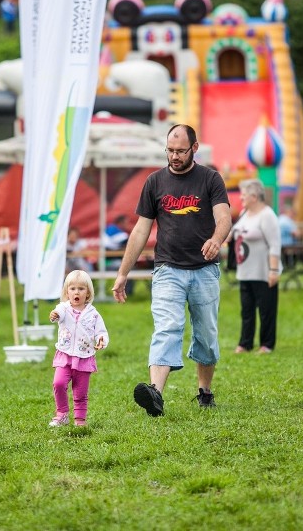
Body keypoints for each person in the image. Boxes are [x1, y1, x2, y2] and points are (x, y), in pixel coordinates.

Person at [113, 124, 231, 416]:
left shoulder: (210, 179)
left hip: (204, 270)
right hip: (167, 269)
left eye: (180, 150)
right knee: (167, 327)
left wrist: (216, 240)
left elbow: (224, 216)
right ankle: (156, 394)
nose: (174, 156)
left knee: (206, 335)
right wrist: (123, 272)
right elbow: (141, 231)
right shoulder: (154, 182)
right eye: (170, 150)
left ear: (194, 148)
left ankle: (205, 392)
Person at [48, 270, 109, 427]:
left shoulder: (93, 314)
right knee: (58, 383)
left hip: (84, 357)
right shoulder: (63, 308)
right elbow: (59, 313)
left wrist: (102, 340)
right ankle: (62, 414)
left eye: (81, 289)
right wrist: (55, 314)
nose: (76, 292)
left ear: (87, 293)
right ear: (67, 291)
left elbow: (101, 332)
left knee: (80, 392)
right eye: (72, 288)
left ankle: (80, 420)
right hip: (65, 354)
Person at [231, 179, 281, 354]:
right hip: (245, 270)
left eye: (244, 194)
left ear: (254, 196)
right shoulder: (245, 212)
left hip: (263, 271)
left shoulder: (267, 215)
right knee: (247, 310)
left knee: (266, 310)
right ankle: (245, 343)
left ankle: (266, 344)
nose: (241, 197)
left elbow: (275, 245)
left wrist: (273, 270)